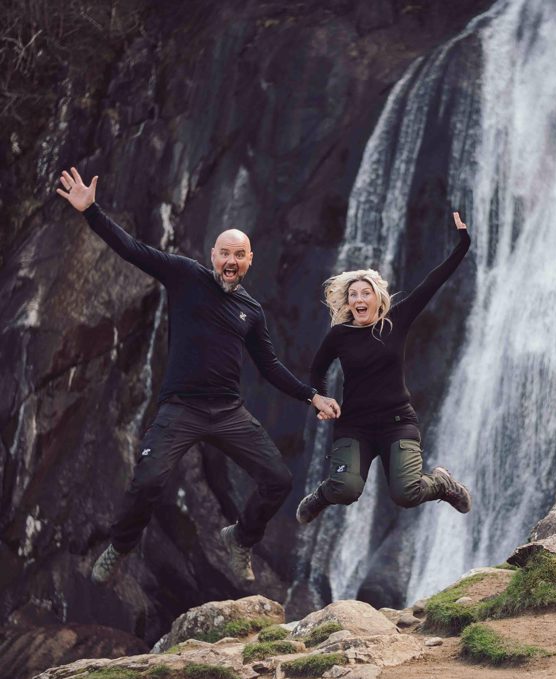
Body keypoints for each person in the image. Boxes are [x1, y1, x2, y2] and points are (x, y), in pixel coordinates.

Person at [56, 167, 340, 585]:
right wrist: (92, 212)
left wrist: (311, 395)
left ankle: (240, 537)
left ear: (249, 261)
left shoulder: (252, 312)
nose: (230, 261)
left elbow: (270, 367)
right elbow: (132, 249)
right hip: (181, 409)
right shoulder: (185, 275)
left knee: (279, 479)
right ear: (212, 256)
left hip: (228, 413)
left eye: (238, 256)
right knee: (148, 481)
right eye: (224, 253)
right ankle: (120, 545)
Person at [296, 211, 472, 525]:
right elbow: (317, 369)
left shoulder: (396, 322)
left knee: (407, 494)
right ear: (348, 303)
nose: (358, 299)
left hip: (397, 421)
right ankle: (322, 495)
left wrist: (462, 244)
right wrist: (319, 398)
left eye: (365, 293)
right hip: (355, 425)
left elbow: (433, 282)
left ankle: (443, 483)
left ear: (378, 298)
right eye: (353, 295)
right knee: (345, 489)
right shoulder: (340, 335)